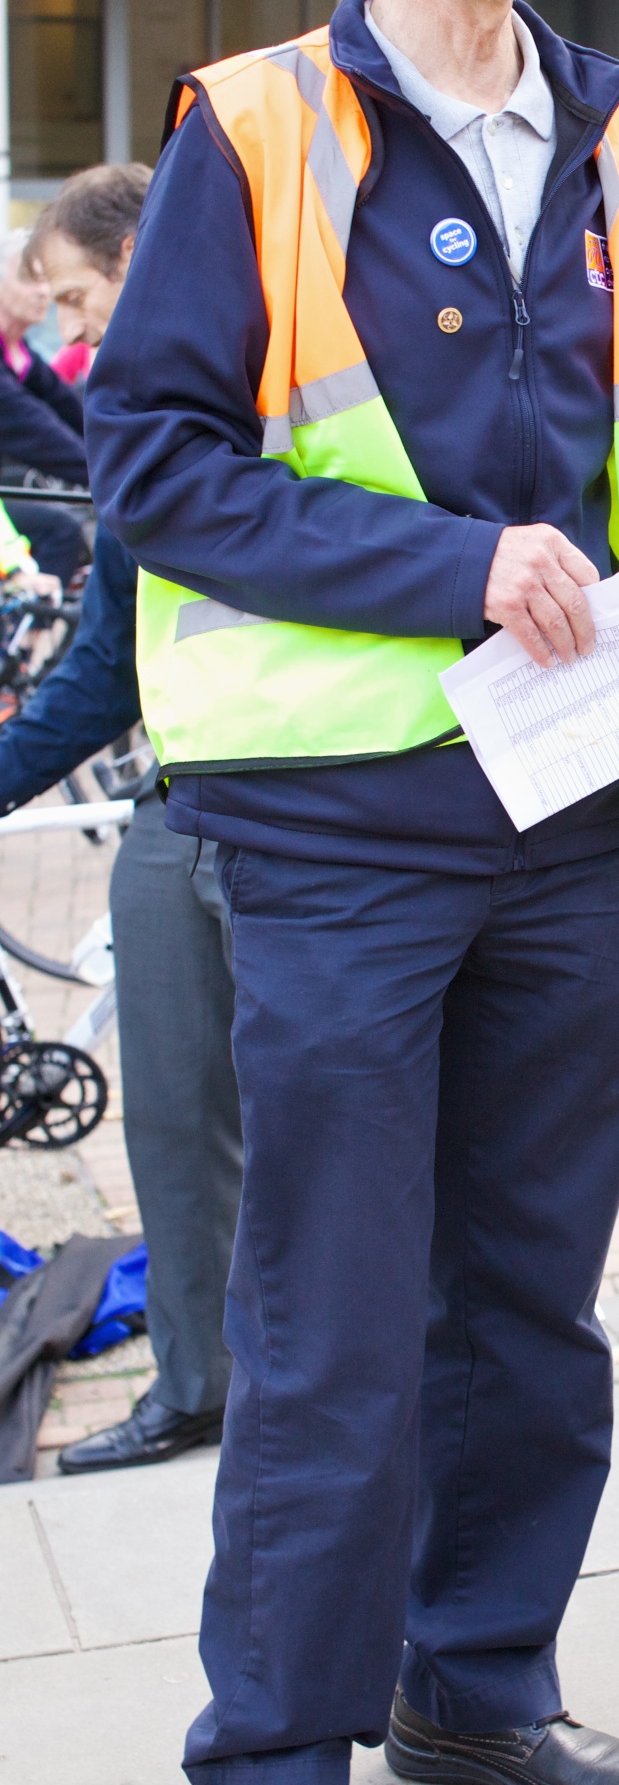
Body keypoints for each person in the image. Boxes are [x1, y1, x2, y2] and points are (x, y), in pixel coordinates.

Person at [85, 0, 619, 1785]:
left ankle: (476, 1676)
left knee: (526, 1300)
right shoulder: (253, 127)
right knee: (336, 1311)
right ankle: (270, 1754)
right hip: (340, 821)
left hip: (572, 813)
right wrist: (459, 568)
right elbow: (151, 463)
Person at [0, 159, 241, 1474]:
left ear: (148, 252)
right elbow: (112, 654)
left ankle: (280, 1391)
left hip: (306, 814)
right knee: (175, 1115)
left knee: (301, 1130)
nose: (76, 337)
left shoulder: (264, 369)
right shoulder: (132, 405)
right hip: (187, 799)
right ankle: (203, 1382)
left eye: (84, 300)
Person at [0, 222, 96, 586]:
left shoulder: (22, 355)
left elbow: (71, 411)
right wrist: (107, 474)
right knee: (60, 531)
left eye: (46, 281)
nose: (43, 293)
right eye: (29, 280)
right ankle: (31, 642)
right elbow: (38, 430)